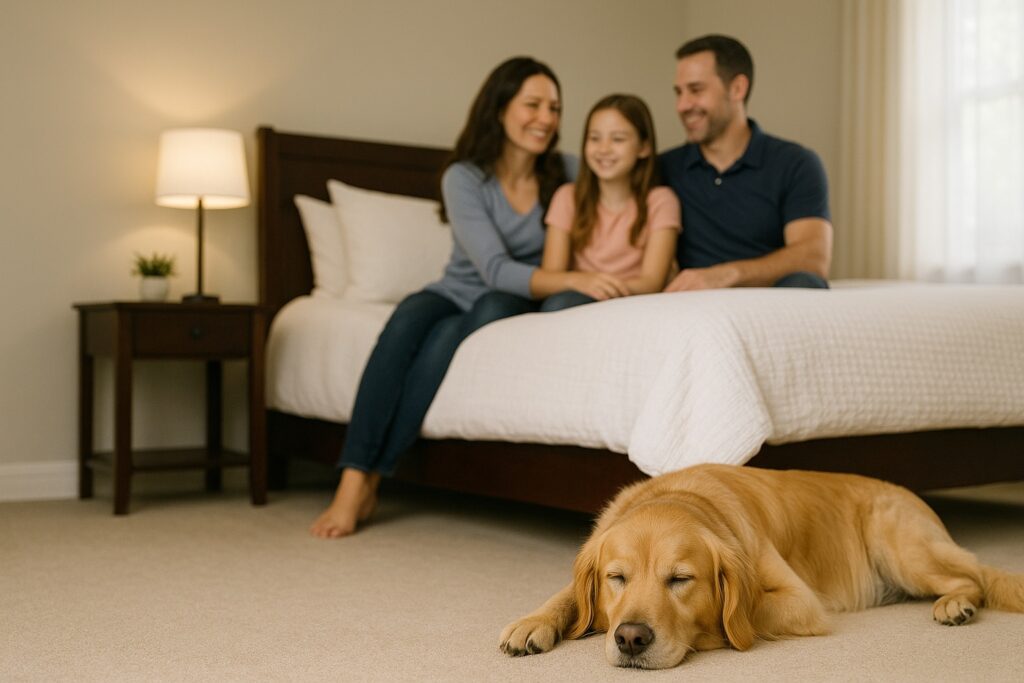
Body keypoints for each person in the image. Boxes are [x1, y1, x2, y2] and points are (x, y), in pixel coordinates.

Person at [310, 56, 576, 538]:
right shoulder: (465, 177)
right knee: (403, 323)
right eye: (532, 104)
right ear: (499, 109)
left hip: (508, 300)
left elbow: (627, 181)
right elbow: (491, 266)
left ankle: (372, 476)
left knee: (447, 338)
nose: (546, 118)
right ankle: (353, 478)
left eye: (554, 108)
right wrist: (579, 278)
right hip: (454, 289)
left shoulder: (568, 173)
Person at [660, 34, 833, 292]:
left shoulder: (795, 163)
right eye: (679, 92)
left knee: (805, 282)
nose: (682, 105)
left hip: (772, 306)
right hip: (695, 309)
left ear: (737, 89)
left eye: (696, 90)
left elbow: (814, 257)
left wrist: (725, 275)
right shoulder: (664, 168)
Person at [538, 94, 680, 311]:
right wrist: (584, 283)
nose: (603, 149)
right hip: (574, 300)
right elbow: (552, 275)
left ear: (644, 147)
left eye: (618, 139)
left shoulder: (661, 201)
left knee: (562, 304)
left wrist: (602, 288)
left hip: (630, 305)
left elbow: (652, 281)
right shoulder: (567, 197)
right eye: (594, 138)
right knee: (559, 304)